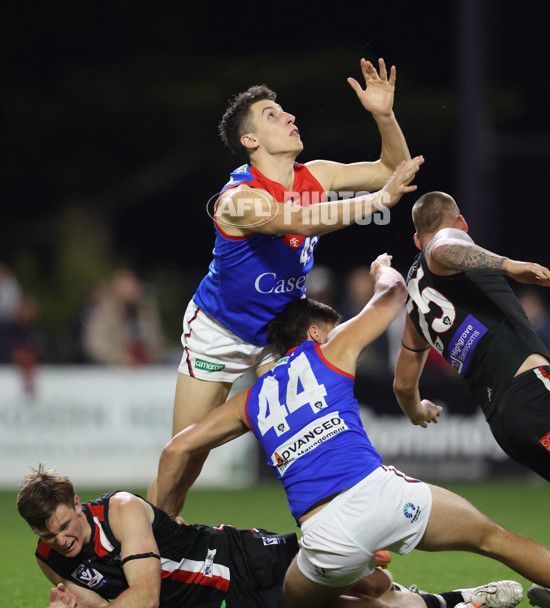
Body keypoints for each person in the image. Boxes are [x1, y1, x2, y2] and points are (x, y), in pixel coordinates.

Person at [155, 255, 550, 608]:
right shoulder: (329, 349)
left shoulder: (249, 401)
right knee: (497, 539)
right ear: (313, 333)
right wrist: (382, 271)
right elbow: (393, 296)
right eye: (330, 326)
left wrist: (165, 521)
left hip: (326, 534)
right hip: (385, 495)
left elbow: (177, 449)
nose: (338, 330)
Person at [147, 58, 424, 504]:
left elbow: (395, 165)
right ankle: (148, 548)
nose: (289, 116)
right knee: (185, 457)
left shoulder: (315, 175)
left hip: (281, 334)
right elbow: (300, 220)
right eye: (272, 115)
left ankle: (350, 551)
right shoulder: (238, 199)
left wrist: (384, 115)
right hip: (219, 331)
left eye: (285, 110)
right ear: (250, 140)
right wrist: (378, 199)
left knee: (315, 446)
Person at [394, 190, 550, 608]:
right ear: (462, 222)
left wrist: (416, 411)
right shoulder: (449, 244)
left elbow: (402, 382)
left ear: (414, 239)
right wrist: (511, 266)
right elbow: (446, 247)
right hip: (536, 391)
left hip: (505, 422)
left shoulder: (414, 304)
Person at [17, 467, 522, 608]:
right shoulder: (50, 559)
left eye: (64, 525)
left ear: (76, 503)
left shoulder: (122, 509)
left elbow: (145, 596)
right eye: (48, 536)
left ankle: (431, 595)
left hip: (236, 552)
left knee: (365, 579)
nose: (61, 540)